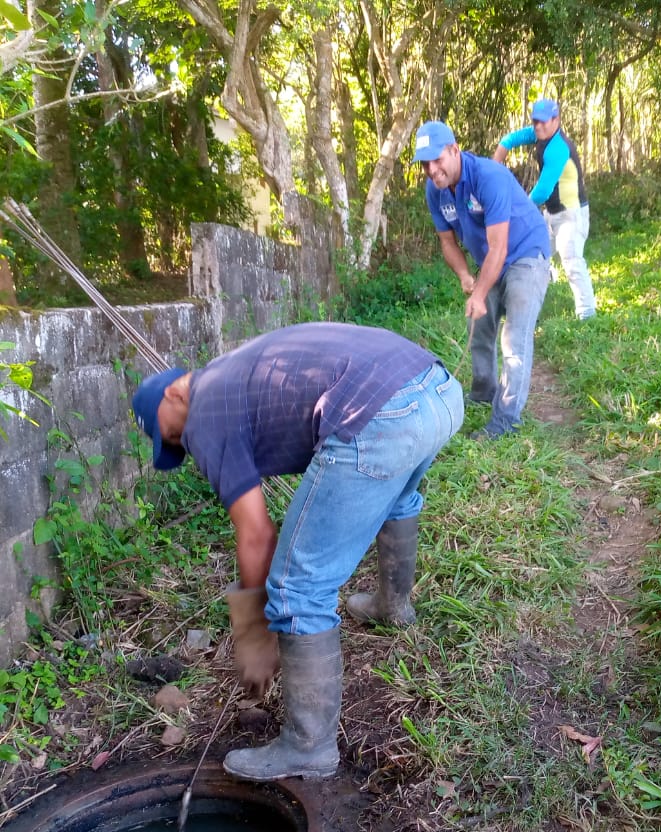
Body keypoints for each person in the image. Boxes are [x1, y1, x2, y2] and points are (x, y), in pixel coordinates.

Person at [130, 322, 464, 782]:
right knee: (395, 495)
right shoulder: (232, 374)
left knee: (298, 587)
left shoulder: (202, 413)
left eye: (168, 437)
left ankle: (309, 746)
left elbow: (256, 535)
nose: (178, 446)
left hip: (382, 416)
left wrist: (255, 634)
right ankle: (393, 605)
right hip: (436, 390)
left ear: (172, 398)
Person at [414, 119, 550, 439]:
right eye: (425, 164)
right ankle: (483, 391)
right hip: (491, 259)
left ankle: (506, 418)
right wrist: (464, 276)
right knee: (479, 328)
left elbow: (500, 246)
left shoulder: (488, 176)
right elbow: (447, 242)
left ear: (454, 150)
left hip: (526, 253)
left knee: (513, 337)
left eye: (438, 159)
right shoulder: (436, 191)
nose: (432, 170)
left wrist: (479, 293)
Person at [494, 98, 596, 321]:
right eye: (535, 122)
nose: (538, 126)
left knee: (572, 262)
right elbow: (509, 140)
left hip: (571, 215)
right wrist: (495, 167)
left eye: (543, 122)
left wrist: (519, 210)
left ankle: (587, 314)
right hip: (550, 215)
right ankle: (534, 299)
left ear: (556, 120)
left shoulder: (558, 148)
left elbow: (542, 190)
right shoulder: (538, 134)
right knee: (536, 256)